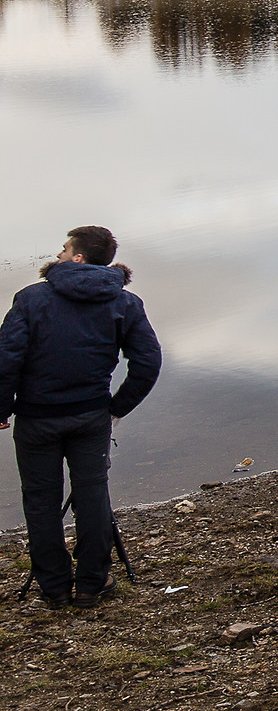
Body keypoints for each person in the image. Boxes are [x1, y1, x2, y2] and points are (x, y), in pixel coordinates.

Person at [0, 225, 162, 607]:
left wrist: (2, 407)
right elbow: (148, 362)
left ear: (78, 257)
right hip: (91, 416)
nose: (57, 255)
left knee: (40, 501)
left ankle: (55, 588)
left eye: (63, 249)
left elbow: (6, 359)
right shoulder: (124, 302)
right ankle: (91, 584)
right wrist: (117, 408)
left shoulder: (30, 299)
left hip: (37, 418)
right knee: (92, 495)